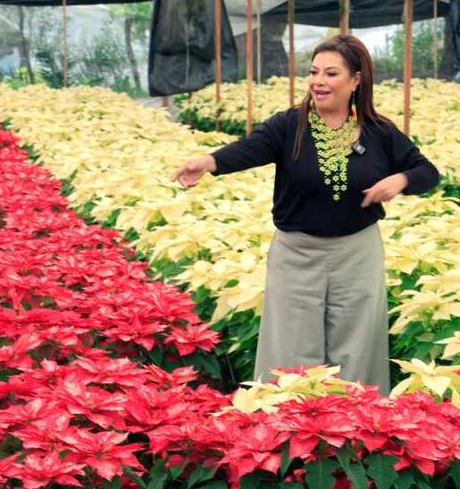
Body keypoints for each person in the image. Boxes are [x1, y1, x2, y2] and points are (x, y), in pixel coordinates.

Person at [172, 34, 440, 394]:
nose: (318, 81)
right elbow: (250, 149)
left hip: (357, 253)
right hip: (296, 254)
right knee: (291, 351)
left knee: (357, 346)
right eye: (314, 72)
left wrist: (401, 179)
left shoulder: (379, 132)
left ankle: (356, 430)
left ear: (356, 80)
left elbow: (427, 172)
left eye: (331, 73)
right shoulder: (289, 126)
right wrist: (208, 162)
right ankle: (291, 436)